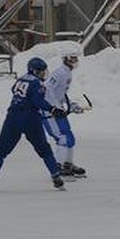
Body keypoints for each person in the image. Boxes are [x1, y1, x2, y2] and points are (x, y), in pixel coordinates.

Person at [0, 57, 67, 191]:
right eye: (41, 72)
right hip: (30, 118)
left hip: (12, 117)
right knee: (44, 148)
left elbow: (14, 90)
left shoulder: (21, 78)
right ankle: (56, 177)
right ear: (34, 71)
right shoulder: (36, 84)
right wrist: (52, 109)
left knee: (1, 149)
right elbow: (37, 101)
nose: (43, 74)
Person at [42, 48, 87, 181]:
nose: (75, 61)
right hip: (49, 112)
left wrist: (71, 105)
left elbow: (60, 94)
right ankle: (57, 168)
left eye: (76, 58)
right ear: (66, 59)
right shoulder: (59, 73)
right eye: (73, 58)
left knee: (69, 137)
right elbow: (47, 90)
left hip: (59, 110)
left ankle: (68, 164)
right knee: (62, 138)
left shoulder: (67, 74)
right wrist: (54, 107)